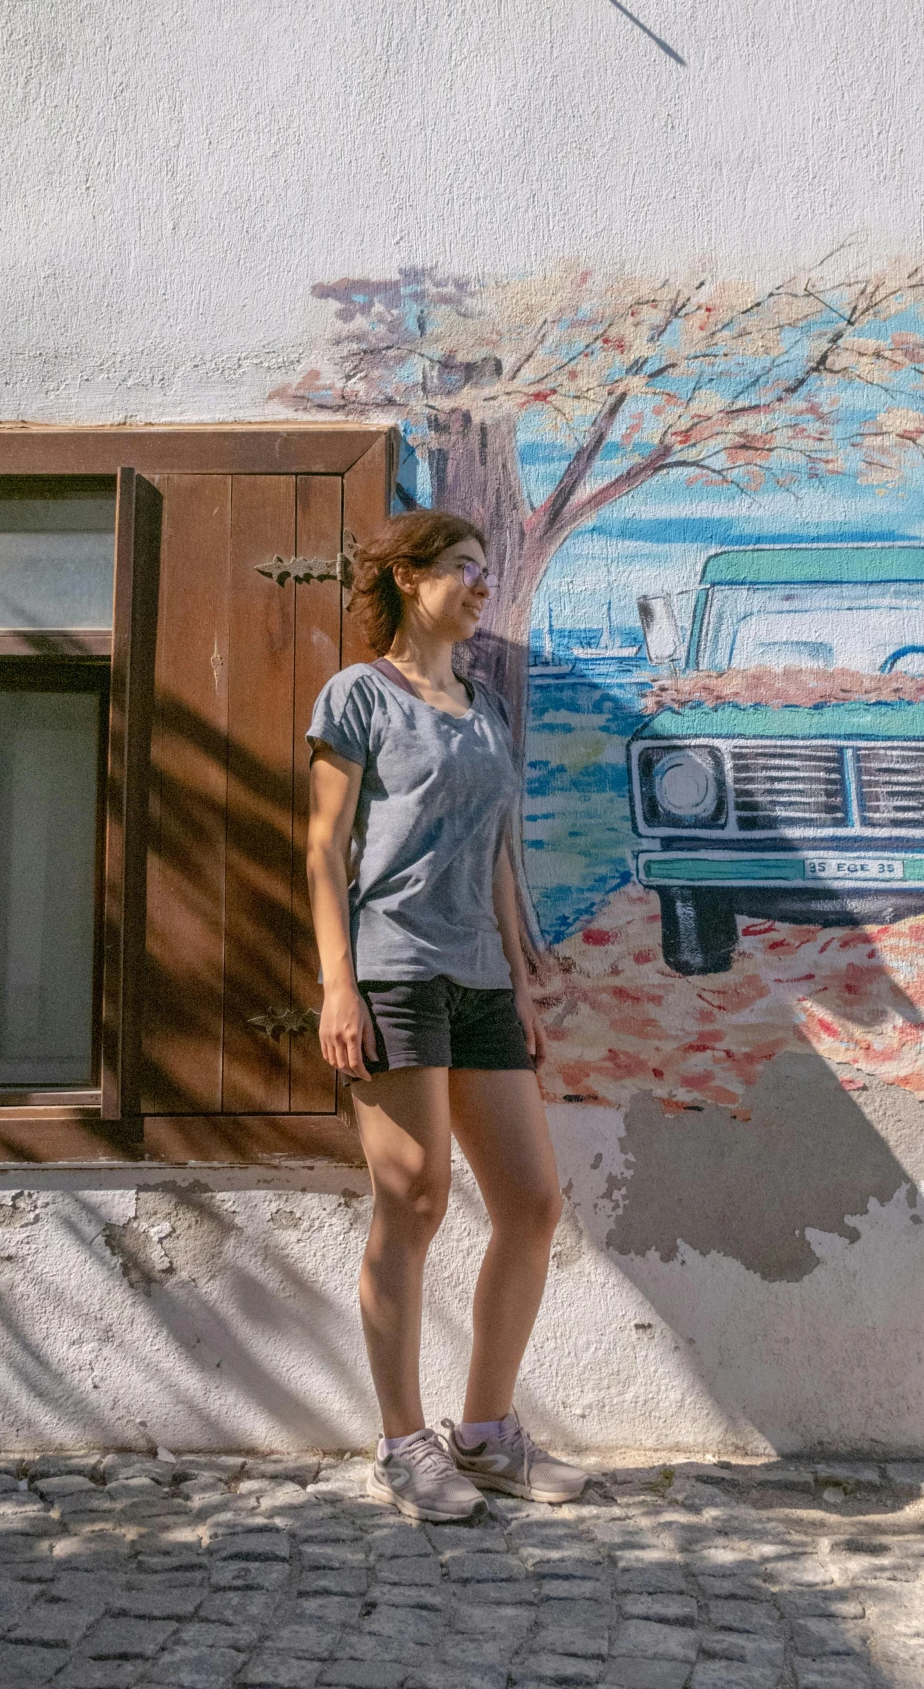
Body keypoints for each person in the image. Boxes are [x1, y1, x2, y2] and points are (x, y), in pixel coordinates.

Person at [305, 510, 588, 1522]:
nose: (481, 585)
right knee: (415, 1200)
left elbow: (501, 858)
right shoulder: (359, 696)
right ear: (409, 578)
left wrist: (518, 981)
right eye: (464, 568)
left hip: (476, 980)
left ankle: (485, 1434)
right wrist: (338, 984)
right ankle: (400, 1443)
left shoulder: (483, 708)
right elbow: (324, 849)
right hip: (391, 974)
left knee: (531, 1202)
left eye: (484, 569)